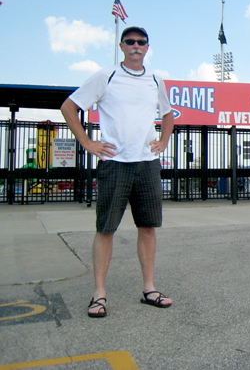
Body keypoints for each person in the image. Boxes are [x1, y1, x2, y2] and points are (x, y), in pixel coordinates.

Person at [61, 26, 174, 318]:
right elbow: (69, 107)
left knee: (148, 227)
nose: (136, 46)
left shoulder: (155, 79)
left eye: (141, 42)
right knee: (105, 229)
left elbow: (168, 114)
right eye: (130, 42)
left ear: (147, 47)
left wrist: (163, 141)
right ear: (122, 46)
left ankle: (149, 289)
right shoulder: (106, 76)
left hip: (147, 164)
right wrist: (87, 142)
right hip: (115, 164)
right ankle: (99, 294)